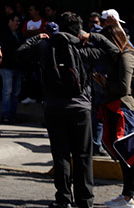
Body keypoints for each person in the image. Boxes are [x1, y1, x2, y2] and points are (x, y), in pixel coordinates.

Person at [19, 12, 118, 208]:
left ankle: (63, 199)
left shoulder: (45, 47)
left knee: (61, 155)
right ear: (79, 30)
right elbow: (114, 53)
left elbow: (20, 52)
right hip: (81, 108)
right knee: (83, 156)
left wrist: (37, 37)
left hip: (54, 108)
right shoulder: (85, 49)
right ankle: (85, 200)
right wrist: (94, 37)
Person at [97, 24, 134, 208]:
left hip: (125, 110)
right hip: (116, 108)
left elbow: (123, 88)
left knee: (130, 153)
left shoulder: (128, 56)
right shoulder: (120, 56)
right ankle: (127, 194)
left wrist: (104, 82)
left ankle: (130, 196)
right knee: (122, 153)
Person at [0, 13, 23, 124]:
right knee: (7, 91)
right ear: (10, 21)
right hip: (7, 67)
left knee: (16, 92)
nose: (18, 23)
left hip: (18, 67)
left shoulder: (19, 34)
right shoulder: (4, 34)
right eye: (16, 20)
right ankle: (5, 115)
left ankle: (13, 114)